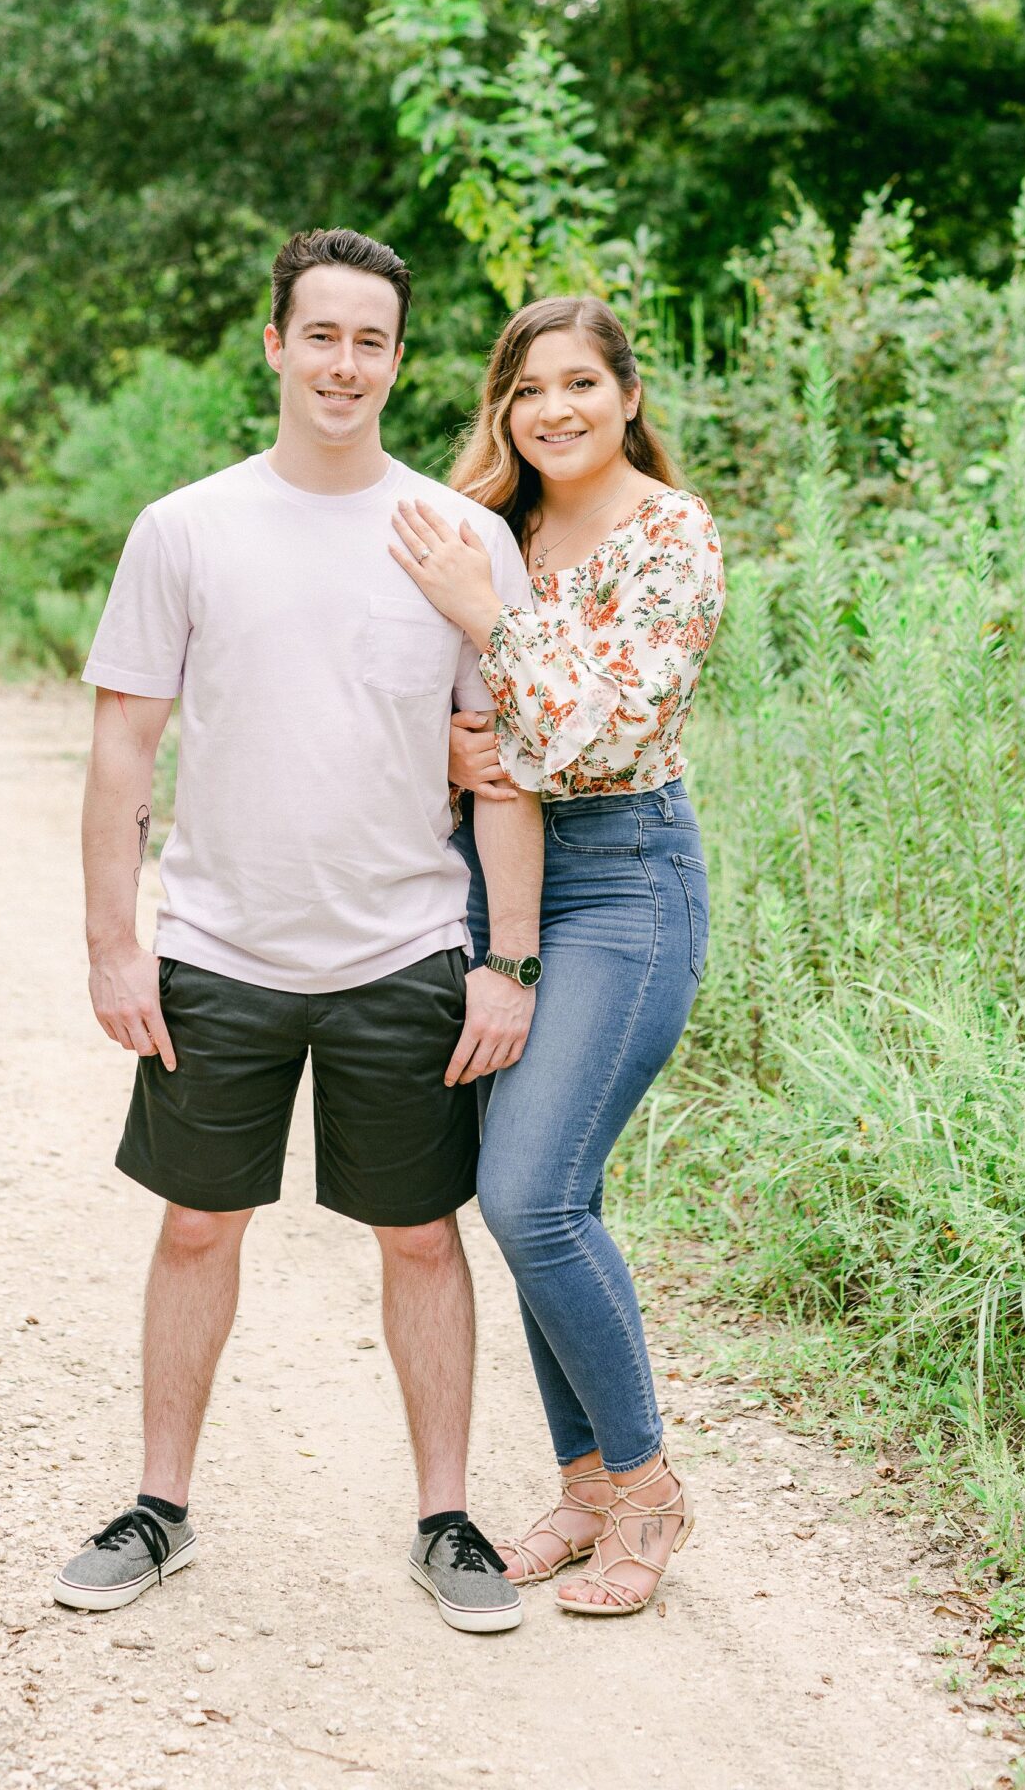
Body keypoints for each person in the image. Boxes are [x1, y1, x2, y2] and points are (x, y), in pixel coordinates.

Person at [54, 228, 547, 1635]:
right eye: (320, 335)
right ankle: (159, 1508)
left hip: (402, 947)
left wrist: (506, 960)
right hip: (218, 947)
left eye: (371, 340)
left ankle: (448, 1522)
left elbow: (501, 764)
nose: (345, 363)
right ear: (275, 345)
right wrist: (113, 942)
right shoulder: (188, 528)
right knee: (200, 1224)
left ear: (400, 360)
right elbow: (122, 756)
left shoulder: (464, 540)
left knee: (419, 1236)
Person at [389, 294, 725, 1618]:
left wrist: (487, 619)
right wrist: (453, 748)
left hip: (625, 883)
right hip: (490, 877)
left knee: (536, 1196)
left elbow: (609, 729)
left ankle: (648, 1489)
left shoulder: (671, 537)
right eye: (529, 390)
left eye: (582, 382)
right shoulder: (495, 525)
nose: (556, 410)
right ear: (503, 408)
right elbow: (409, 700)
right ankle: (585, 1489)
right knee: (522, 1196)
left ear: (628, 395)